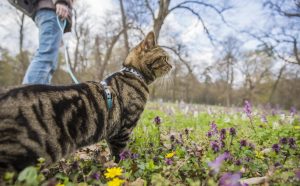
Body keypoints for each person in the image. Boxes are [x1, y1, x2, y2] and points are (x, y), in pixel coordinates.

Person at [22, 0, 74, 84]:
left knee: (50, 62)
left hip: (50, 11)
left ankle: (38, 94)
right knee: (46, 58)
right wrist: (61, 1)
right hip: (52, 10)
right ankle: (28, 95)